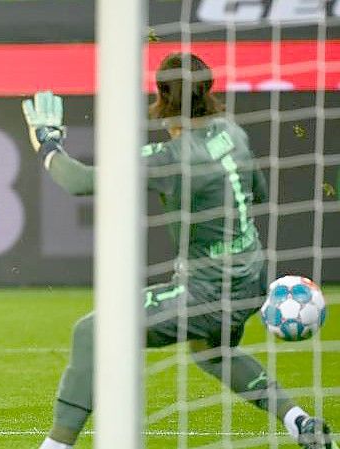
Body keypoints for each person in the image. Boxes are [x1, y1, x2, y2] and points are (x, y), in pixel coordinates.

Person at [21, 53, 337, 449]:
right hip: (252, 278)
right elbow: (259, 193)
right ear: (209, 90)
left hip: (206, 293)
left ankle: (56, 446)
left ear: (161, 97)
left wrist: (49, 144)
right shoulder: (232, 133)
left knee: (92, 332)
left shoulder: (172, 158)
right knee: (213, 352)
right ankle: (299, 421)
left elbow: (80, 181)